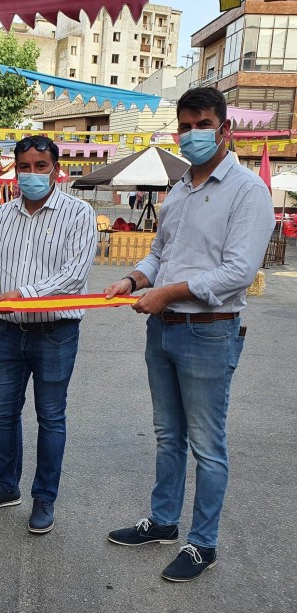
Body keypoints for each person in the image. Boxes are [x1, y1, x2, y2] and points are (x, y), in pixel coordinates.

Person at [104, 87, 275, 582]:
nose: (192, 134)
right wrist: (134, 280)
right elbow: (159, 252)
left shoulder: (248, 192)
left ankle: (204, 544)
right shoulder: (178, 190)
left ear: (225, 128)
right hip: (163, 329)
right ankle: (162, 522)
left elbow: (239, 272)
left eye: (202, 123)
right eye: (185, 125)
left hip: (208, 331)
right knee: (167, 435)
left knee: (207, 443)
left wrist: (169, 291)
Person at [0, 136, 96, 534]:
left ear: (56, 168)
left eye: (40, 166)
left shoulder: (78, 213)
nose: (31, 174)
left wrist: (26, 295)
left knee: (51, 417)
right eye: (24, 167)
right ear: (13, 169)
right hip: (9, 331)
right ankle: (5, 486)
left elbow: (74, 275)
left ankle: (44, 497)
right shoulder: (0, 216)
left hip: (57, 331)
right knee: (4, 413)